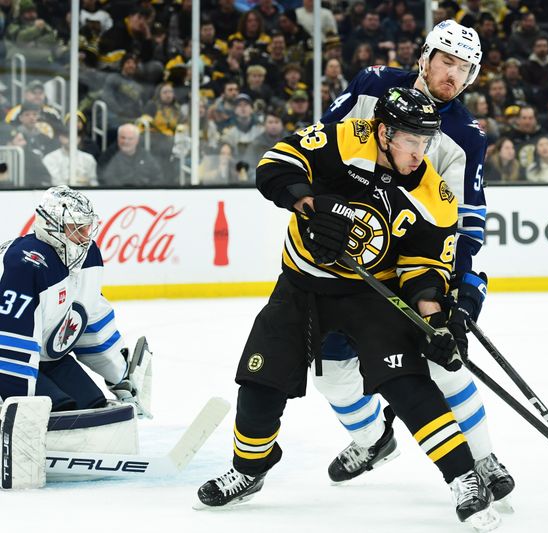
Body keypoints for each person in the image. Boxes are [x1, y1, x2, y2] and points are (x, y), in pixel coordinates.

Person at [195, 87, 500, 530]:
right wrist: (311, 204)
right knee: (260, 381)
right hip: (300, 287)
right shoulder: (343, 138)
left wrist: (436, 324)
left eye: (427, 141)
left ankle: (464, 478)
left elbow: (424, 269)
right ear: (383, 132)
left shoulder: (434, 195)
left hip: (371, 297)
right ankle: (249, 470)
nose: (420, 153)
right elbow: (275, 164)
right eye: (411, 141)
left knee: (408, 384)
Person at [314, 19, 514, 503]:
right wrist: (319, 213)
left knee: (444, 361)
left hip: (412, 262)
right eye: (447, 61)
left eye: (465, 69)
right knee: (333, 372)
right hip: (351, 255)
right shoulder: (373, 86)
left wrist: (462, 285)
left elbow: (466, 219)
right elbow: (321, 145)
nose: (454, 75)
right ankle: (372, 439)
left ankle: (482, 457)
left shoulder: (465, 135)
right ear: (424, 57)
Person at [0, 186, 146, 415]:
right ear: (51, 226)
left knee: (93, 405)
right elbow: (10, 343)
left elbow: (90, 320)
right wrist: (20, 414)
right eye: (75, 229)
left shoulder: (88, 256)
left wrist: (120, 377)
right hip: (8, 359)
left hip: (48, 357)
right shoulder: (26, 265)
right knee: (55, 411)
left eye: (86, 228)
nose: (84, 237)